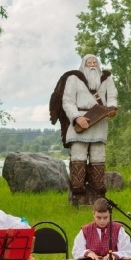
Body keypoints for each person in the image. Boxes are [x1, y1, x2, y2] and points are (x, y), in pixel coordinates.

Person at [49, 55, 118, 205]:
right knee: (78, 157)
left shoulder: (106, 78)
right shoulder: (73, 79)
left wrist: (111, 109)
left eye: (95, 62)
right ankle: (77, 194)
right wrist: (76, 118)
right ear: (83, 65)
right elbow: (67, 101)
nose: (92, 65)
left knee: (98, 157)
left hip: (99, 121)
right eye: (89, 62)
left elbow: (112, 96)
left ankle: (98, 196)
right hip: (80, 122)